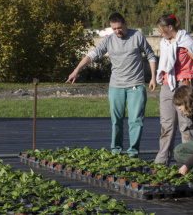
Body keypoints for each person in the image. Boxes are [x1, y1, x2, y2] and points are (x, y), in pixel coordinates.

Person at [66, 13, 157, 158]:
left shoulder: (138, 36)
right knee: (116, 121)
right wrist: (76, 70)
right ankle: (116, 151)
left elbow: (151, 55)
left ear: (125, 23)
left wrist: (153, 77)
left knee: (136, 121)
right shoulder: (108, 40)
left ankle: (133, 153)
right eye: (114, 29)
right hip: (116, 86)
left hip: (136, 85)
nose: (117, 31)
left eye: (119, 28)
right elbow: (93, 54)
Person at [154, 14, 193, 166]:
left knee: (186, 125)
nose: (160, 33)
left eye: (161, 29)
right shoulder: (164, 43)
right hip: (168, 84)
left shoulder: (185, 42)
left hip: (184, 84)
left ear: (170, 28)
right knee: (167, 124)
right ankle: (161, 163)